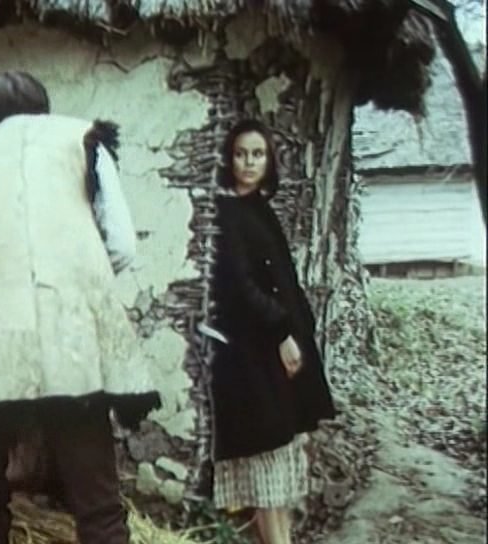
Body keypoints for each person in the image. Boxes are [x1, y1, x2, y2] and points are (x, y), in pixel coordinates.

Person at [0, 71, 161, 544]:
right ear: (44, 107)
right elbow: (122, 244)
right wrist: (79, 288)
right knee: (98, 505)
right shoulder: (82, 140)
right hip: (70, 345)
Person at [208, 119, 336, 544]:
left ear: (268, 160)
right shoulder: (226, 214)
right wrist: (281, 333)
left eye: (257, 154)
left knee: (280, 459)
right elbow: (241, 288)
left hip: (274, 347)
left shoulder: (258, 207)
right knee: (265, 457)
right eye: (241, 154)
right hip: (251, 351)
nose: (249, 163)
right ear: (229, 159)